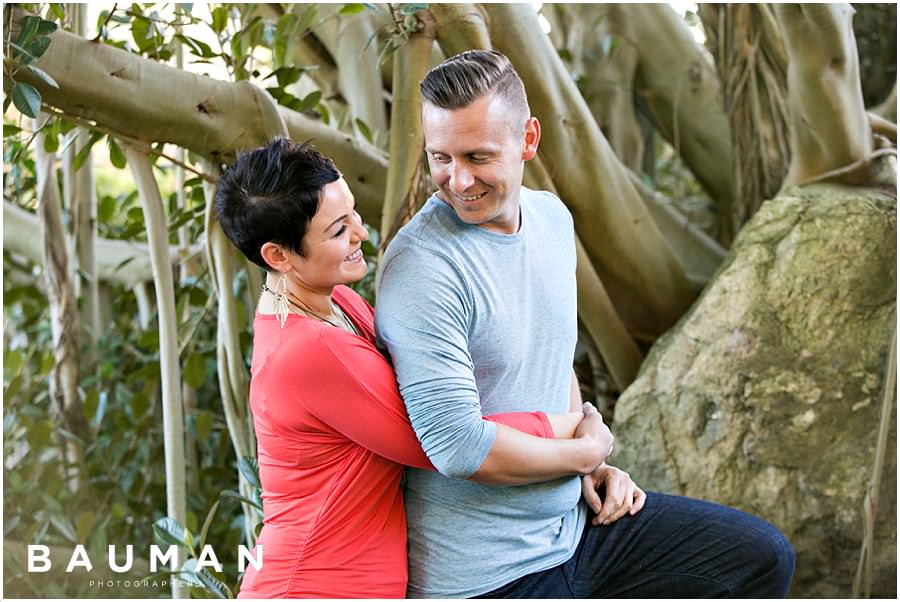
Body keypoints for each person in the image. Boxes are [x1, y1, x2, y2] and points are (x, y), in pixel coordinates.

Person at [375, 49, 796, 598]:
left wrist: (586, 471)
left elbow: (553, 362)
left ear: (528, 139)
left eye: (478, 156)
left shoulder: (551, 219)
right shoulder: (422, 268)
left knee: (761, 558)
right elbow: (458, 447)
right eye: (440, 157)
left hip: (577, 528)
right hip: (490, 575)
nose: (458, 180)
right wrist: (584, 453)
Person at [213, 138, 616, 598]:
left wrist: (585, 464)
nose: (361, 233)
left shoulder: (335, 302)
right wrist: (575, 432)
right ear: (278, 256)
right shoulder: (308, 352)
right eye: (339, 230)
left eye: (354, 213)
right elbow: (446, 439)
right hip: (314, 586)